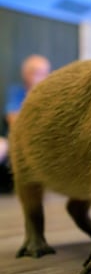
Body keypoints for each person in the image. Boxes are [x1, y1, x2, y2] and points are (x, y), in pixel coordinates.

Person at [1, 54, 51, 193]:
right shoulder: (17, 92)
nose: (42, 77)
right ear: (26, 74)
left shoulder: (49, 95)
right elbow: (12, 120)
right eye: (37, 73)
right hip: (16, 141)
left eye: (45, 73)